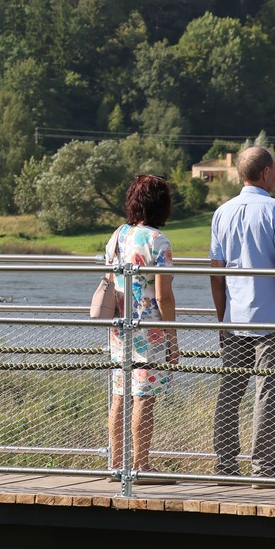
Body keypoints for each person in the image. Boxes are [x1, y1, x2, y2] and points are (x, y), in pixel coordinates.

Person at [210, 146, 275, 478]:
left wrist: (221, 318)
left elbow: (216, 272)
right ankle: (264, 469)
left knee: (230, 391)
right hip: (272, 320)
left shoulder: (222, 213)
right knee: (269, 393)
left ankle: (224, 464)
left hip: (234, 318)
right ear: (264, 172)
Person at [105, 174, 178, 476]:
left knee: (120, 394)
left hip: (120, 325)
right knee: (144, 396)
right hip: (150, 329)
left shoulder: (119, 234)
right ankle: (141, 465)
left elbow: (111, 280)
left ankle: (116, 463)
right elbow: (163, 295)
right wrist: (174, 339)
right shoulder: (158, 241)